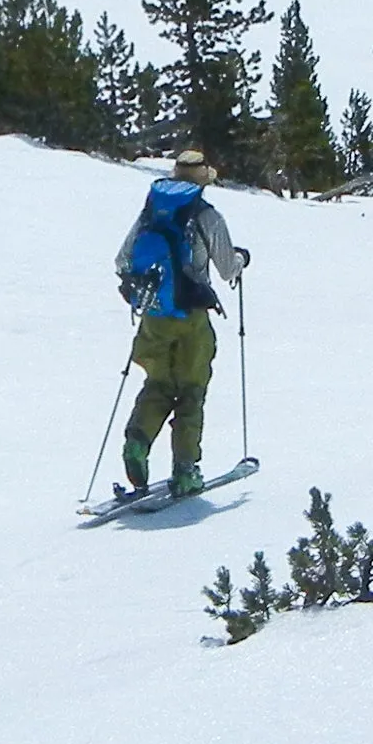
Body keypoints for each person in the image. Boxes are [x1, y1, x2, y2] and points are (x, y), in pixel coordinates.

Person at [114, 149, 246, 497]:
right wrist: (242, 258)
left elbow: (122, 259)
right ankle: (185, 471)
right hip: (191, 318)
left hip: (154, 317)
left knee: (158, 384)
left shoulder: (152, 213)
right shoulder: (206, 216)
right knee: (190, 391)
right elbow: (227, 268)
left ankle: (137, 443)